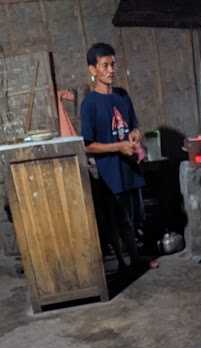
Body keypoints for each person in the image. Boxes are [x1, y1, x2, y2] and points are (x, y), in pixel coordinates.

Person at [80, 42, 148, 272]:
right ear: (92, 69)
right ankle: (126, 263)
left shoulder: (122, 96)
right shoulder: (89, 104)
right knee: (119, 220)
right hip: (110, 173)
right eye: (104, 65)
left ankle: (136, 258)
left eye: (113, 64)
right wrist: (119, 147)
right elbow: (88, 146)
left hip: (130, 168)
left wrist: (135, 137)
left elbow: (134, 126)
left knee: (135, 217)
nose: (111, 70)